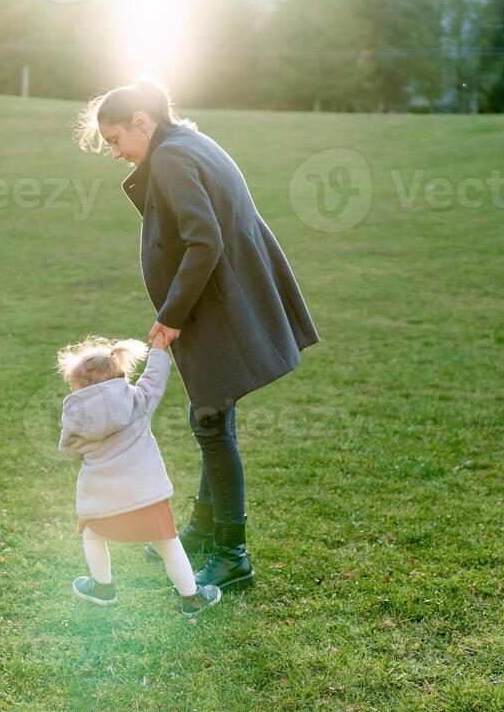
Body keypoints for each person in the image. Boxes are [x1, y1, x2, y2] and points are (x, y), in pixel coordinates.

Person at [74, 79, 320, 593]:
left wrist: (173, 314)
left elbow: (203, 238)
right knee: (213, 414)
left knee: (210, 423)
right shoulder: (190, 142)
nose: (116, 152)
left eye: (117, 140)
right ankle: (205, 532)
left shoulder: (169, 158)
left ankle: (232, 554)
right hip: (228, 299)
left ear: (142, 121)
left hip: (215, 306)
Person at [57, 334, 222, 617]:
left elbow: (69, 450)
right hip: (146, 495)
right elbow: (154, 380)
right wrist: (158, 349)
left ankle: (102, 588)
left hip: (101, 499)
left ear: (78, 388)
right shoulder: (137, 401)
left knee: (94, 537)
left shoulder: (76, 417)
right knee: (168, 543)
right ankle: (191, 598)